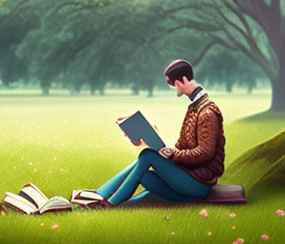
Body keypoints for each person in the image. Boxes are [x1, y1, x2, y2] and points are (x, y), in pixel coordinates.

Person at [75, 59, 225, 206]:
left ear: (184, 79)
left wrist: (172, 155)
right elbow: (182, 145)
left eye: (175, 84)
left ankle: (107, 203)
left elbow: (205, 153)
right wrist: (152, 140)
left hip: (199, 183)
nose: (176, 88)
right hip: (189, 174)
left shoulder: (206, 113)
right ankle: (99, 195)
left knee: (147, 156)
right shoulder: (194, 108)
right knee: (144, 175)